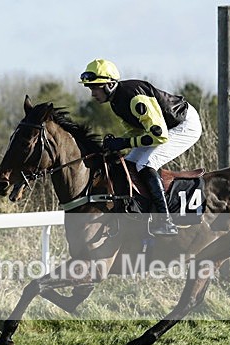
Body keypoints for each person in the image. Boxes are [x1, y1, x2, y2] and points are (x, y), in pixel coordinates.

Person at [80, 58, 202, 235]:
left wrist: (124, 142)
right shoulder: (116, 103)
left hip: (183, 125)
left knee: (145, 164)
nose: (92, 93)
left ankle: (165, 220)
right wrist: (119, 142)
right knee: (128, 165)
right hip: (164, 128)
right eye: (91, 88)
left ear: (110, 84)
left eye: (95, 87)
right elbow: (137, 133)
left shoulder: (134, 98)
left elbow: (158, 136)